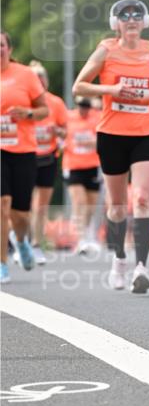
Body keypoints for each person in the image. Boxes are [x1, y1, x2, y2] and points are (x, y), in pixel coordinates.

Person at [72, 0, 149, 293]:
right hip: (112, 134)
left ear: (144, 22)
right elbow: (78, 86)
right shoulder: (107, 49)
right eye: (124, 15)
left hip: (147, 132)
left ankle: (141, 267)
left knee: (142, 198)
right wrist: (112, 89)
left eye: (136, 15)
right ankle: (119, 259)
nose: (131, 19)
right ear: (115, 23)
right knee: (117, 206)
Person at [1, 31, 49, 282]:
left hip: (23, 151)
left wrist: (27, 114)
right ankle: (1, 264)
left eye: (1, 45)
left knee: (20, 213)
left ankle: (20, 242)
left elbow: (44, 110)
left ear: (9, 48)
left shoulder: (25, 76)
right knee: (2, 205)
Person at [29, 62, 68, 264]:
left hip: (48, 157)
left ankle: (36, 244)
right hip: (24, 156)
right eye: (34, 77)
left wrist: (58, 131)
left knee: (41, 205)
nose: (39, 80)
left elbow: (66, 130)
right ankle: (20, 242)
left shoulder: (56, 103)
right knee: (21, 205)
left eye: (41, 76)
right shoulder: (22, 101)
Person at [62, 97, 102, 254]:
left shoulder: (97, 117)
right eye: (81, 105)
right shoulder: (69, 117)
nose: (83, 109)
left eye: (86, 106)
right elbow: (61, 133)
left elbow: (105, 138)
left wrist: (95, 142)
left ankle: (89, 235)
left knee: (91, 205)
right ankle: (81, 239)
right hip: (73, 165)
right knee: (80, 202)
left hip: (92, 165)